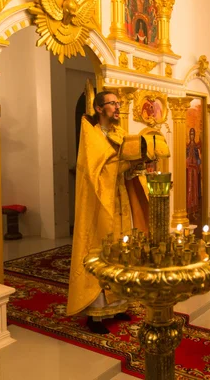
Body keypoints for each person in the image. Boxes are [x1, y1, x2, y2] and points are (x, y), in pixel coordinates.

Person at [67, 90, 149, 334]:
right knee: (101, 251)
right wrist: (123, 163)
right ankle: (96, 314)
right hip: (98, 203)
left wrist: (137, 165)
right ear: (99, 109)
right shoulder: (90, 136)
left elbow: (122, 167)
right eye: (112, 103)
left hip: (119, 200)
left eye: (118, 103)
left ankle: (118, 303)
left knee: (121, 251)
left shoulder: (120, 134)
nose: (117, 107)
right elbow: (98, 170)